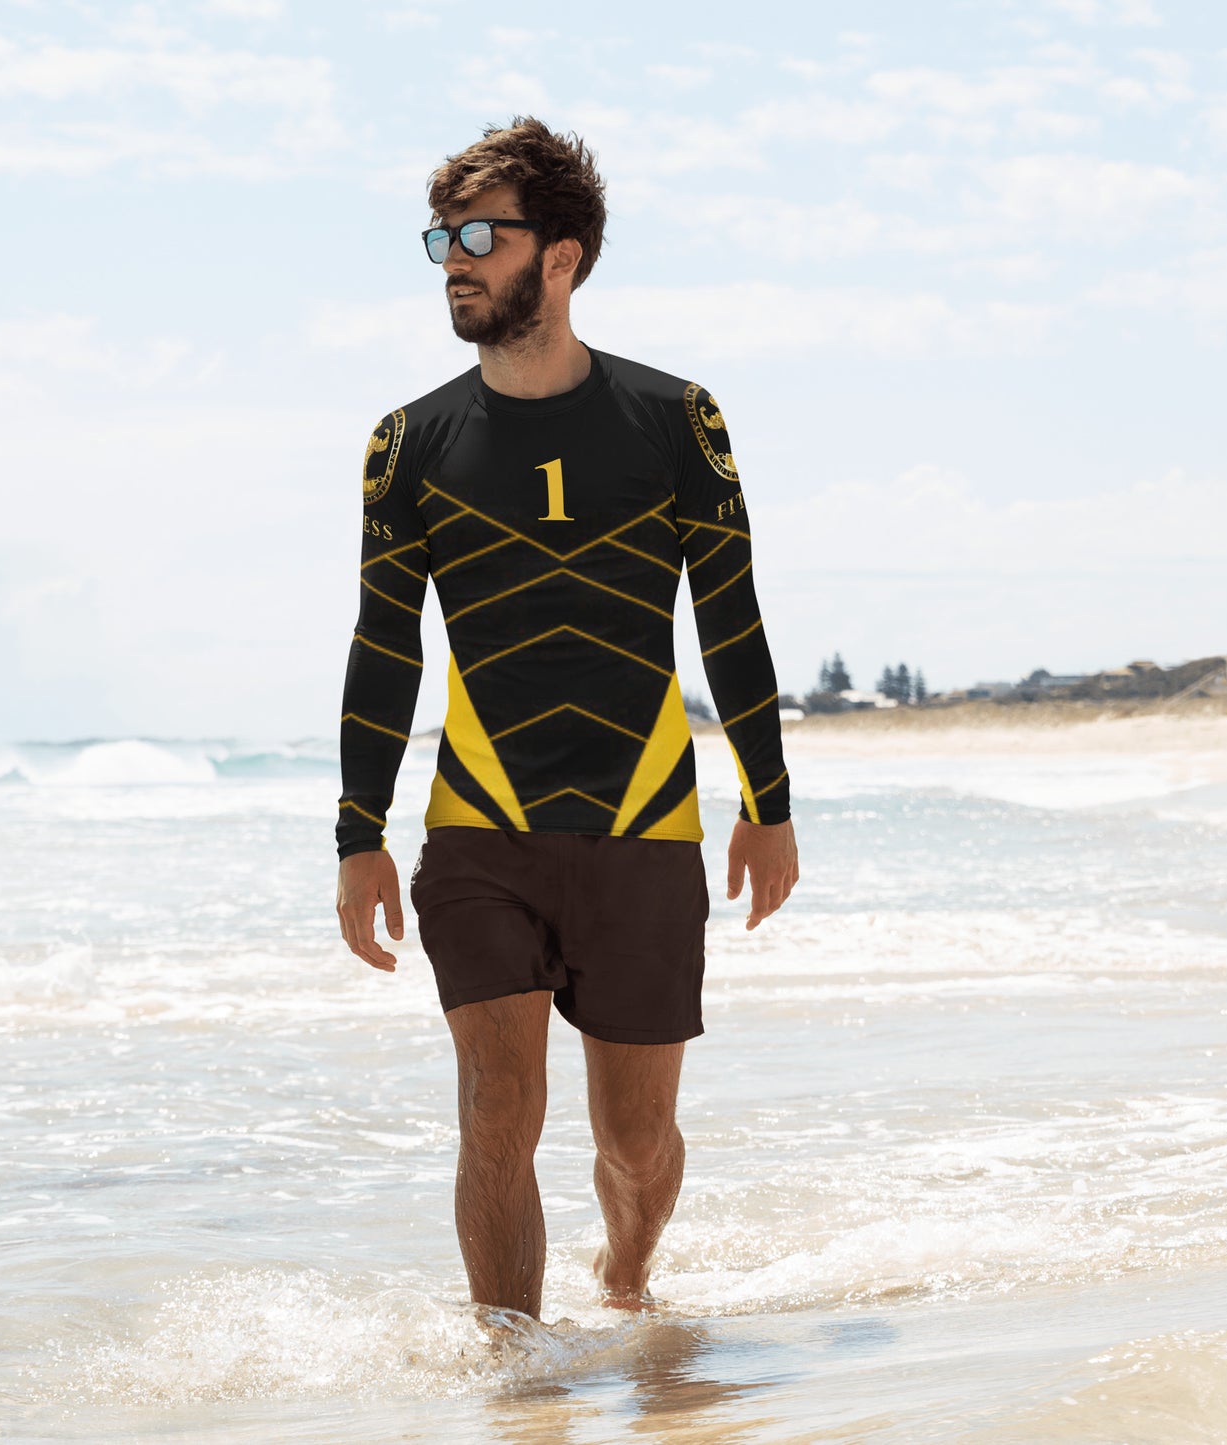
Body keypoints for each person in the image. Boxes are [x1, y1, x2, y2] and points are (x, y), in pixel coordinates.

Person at [336, 117, 798, 1321]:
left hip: (641, 823)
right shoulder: (407, 445)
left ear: (562, 256)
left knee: (635, 1142)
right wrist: (357, 833)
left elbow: (730, 617)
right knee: (496, 1109)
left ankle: (628, 1275)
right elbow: (385, 644)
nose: (453, 262)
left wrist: (767, 803)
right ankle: (514, 1376)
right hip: (478, 826)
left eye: (479, 237)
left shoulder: (674, 420)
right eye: (441, 238)